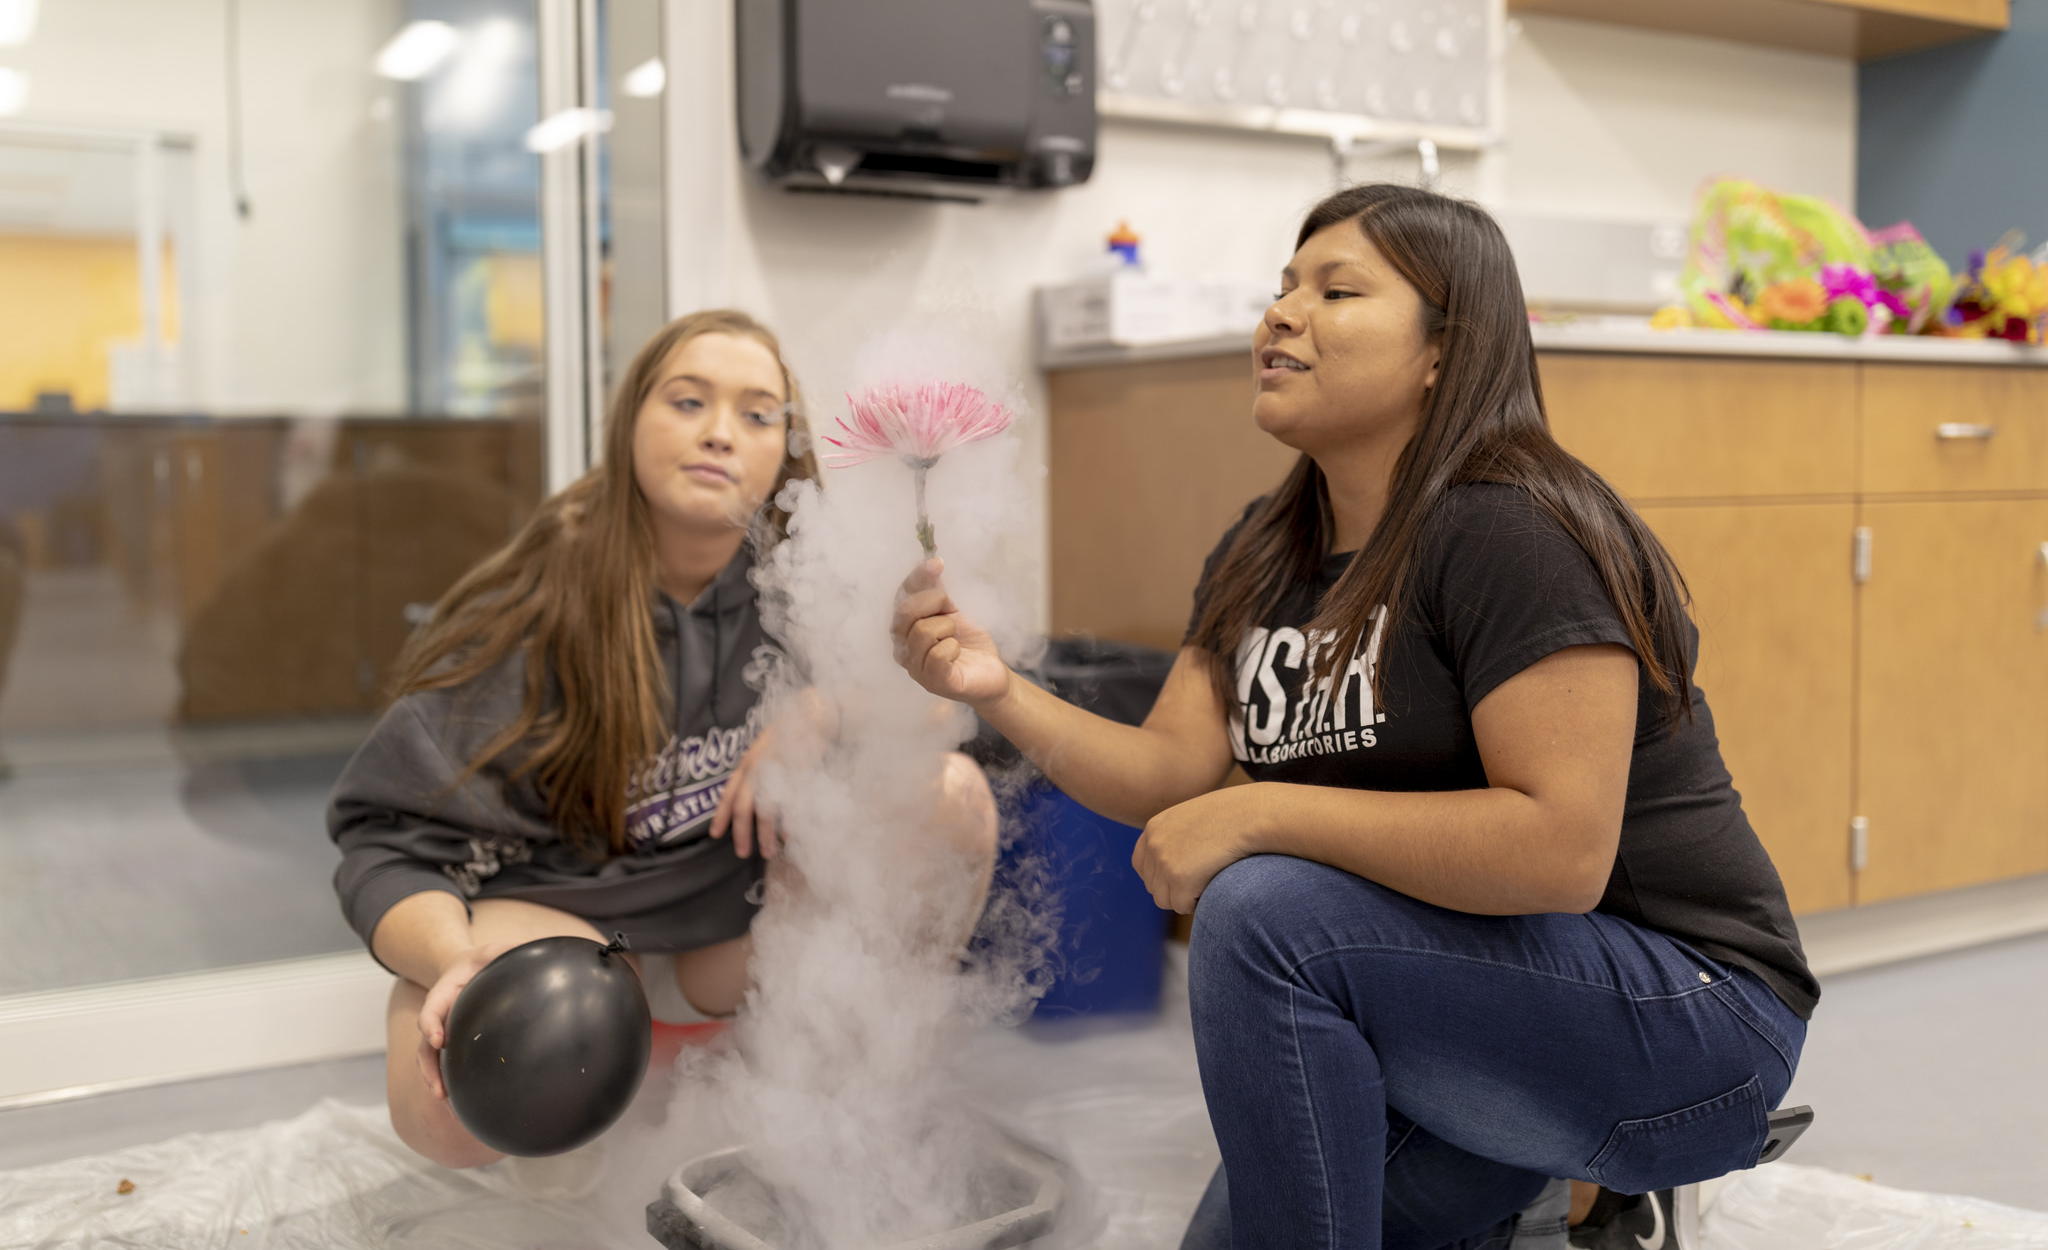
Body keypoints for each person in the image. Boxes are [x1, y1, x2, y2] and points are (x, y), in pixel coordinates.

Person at [892, 186, 1817, 1250]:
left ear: (1442, 351)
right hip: (1468, 999)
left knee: (1261, 912)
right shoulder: (1264, 546)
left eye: (1336, 292)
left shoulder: (1514, 528)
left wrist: (1260, 812)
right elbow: (1165, 773)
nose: (1281, 313)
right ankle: (1546, 1193)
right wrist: (996, 687)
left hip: (1693, 1019)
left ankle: (1580, 1168)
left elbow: (1560, 851)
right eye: (1283, 286)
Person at [328, 309, 997, 1169]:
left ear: (785, 453)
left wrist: (822, 709)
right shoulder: (532, 614)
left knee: (950, 798)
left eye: (757, 413)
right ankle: (589, 1079)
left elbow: (938, 712)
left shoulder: (805, 579)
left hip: (732, 944)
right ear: (629, 423)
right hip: (568, 932)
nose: (720, 432)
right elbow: (385, 842)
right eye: (688, 401)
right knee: (454, 1118)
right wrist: (457, 962)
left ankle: (840, 1103)